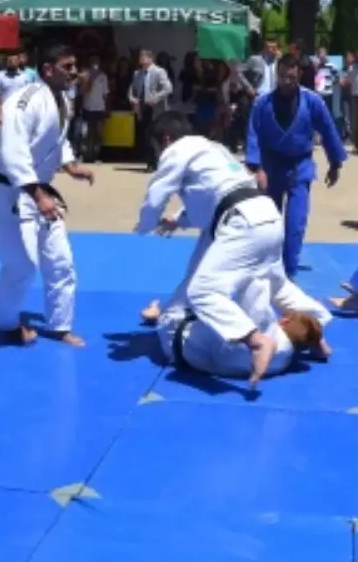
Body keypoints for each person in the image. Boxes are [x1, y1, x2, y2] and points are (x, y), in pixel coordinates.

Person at [134, 111, 287, 388]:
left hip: (241, 224)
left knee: (202, 290)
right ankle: (312, 335)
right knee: (261, 284)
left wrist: (144, 224)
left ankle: (255, 340)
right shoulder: (213, 149)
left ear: (166, 138)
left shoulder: (178, 149)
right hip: (266, 216)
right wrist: (177, 220)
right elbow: (209, 202)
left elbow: (157, 193)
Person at [0, 45, 93, 347]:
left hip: (40, 191)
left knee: (61, 261)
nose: (73, 71)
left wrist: (70, 165)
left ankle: (60, 325)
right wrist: (38, 195)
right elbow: (12, 151)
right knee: (22, 264)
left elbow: (57, 138)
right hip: (11, 194)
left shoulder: (62, 99)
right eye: (67, 66)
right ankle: (7, 324)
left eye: (74, 65)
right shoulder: (23, 100)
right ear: (47, 69)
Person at [245, 53, 345, 278]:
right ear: (277, 76)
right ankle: (265, 264)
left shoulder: (313, 102)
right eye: (282, 77)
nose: (286, 81)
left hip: (300, 166)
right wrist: (257, 168)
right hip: (271, 166)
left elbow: (328, 131)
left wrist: (335, 163)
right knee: (268, 221)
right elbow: (253, 134)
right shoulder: (263, 103)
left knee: (295, 223)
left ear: (299, 74)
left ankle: (288, 270)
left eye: (291, 77)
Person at [155, 275, 333, 381]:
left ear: (284, 321)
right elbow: (313, 324)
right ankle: (157, 315)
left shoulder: (263, 330)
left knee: (202, 281)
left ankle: (157, 314)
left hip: (173, 328)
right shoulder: (283, 362)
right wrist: (317, 341)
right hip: (186, 355)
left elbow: (256, 280)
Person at [127, 49, 173, 171]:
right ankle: (150, 162)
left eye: (144, 57)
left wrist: (155, 98)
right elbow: (132, 88)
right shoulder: (137, 73)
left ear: (150, 59)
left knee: (155, 135)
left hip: (156, 109)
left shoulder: (159, 72)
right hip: (142, 108)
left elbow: (168, 88)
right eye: (140, 57)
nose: (141, 60)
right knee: (146, 136)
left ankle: (158, 162)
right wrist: (131, 98)